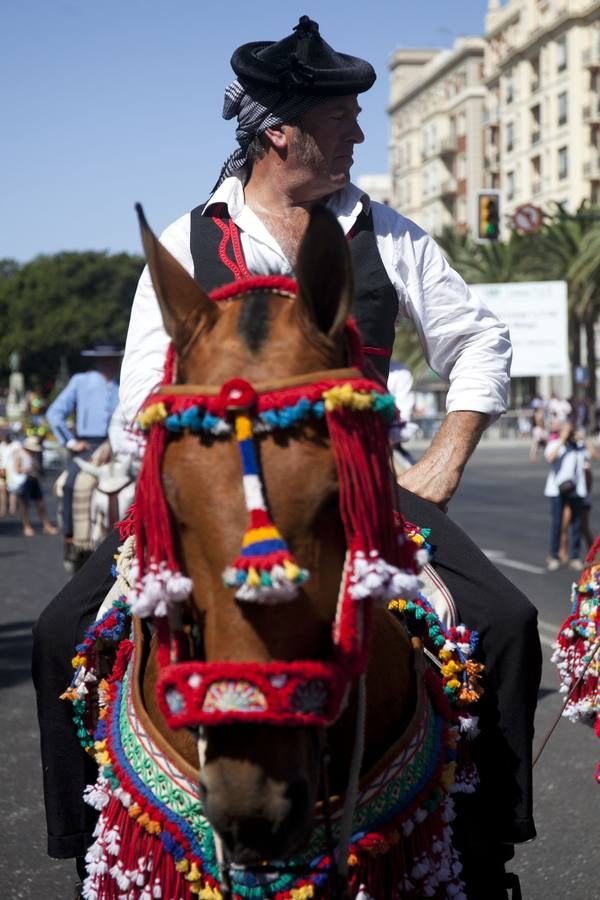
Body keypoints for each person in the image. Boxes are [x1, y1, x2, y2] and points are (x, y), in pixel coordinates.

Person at [32, 17, 541, 898]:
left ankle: (485, 851)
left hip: (353, 487)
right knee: (58, 635)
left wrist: (447, 458)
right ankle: (92, 845)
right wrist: (199, 490)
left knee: (504, 621)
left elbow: (479, 341)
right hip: (211, 491)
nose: (359, 133)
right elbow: (140, 401)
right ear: (280, 134)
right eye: (343, 117)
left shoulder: (388, 232)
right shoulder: (188, 241)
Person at [45, 344, 121, 560]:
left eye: (113, 359)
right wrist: (70, 442)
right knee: (70, 485)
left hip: (118, 446)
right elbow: (54, 413)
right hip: (88, 446)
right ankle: (71, 538)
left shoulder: (123, 382)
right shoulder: (80, 381)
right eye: (106, 359)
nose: (110, 363)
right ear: (98, 361)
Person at [544, 422, 588, 571]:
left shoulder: (579, 446)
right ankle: (554, 556)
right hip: (556, 489)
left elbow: (593, 455)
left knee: (576, 523)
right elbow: (550, 458)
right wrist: (562, 439)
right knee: (557, 523)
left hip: (576, 489)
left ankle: (574, 556)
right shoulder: (555, 444)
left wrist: (583, 439)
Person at [13, 435, 58, 537]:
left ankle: (46, 525)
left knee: (41, 504)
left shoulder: (33, 455)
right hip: (24, 482)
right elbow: (17, 469)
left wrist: (36, 469)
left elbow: (37, 468)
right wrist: (27, 469)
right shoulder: (20, 454)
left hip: (34, 480)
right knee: (25, 505)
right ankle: (26, 526)